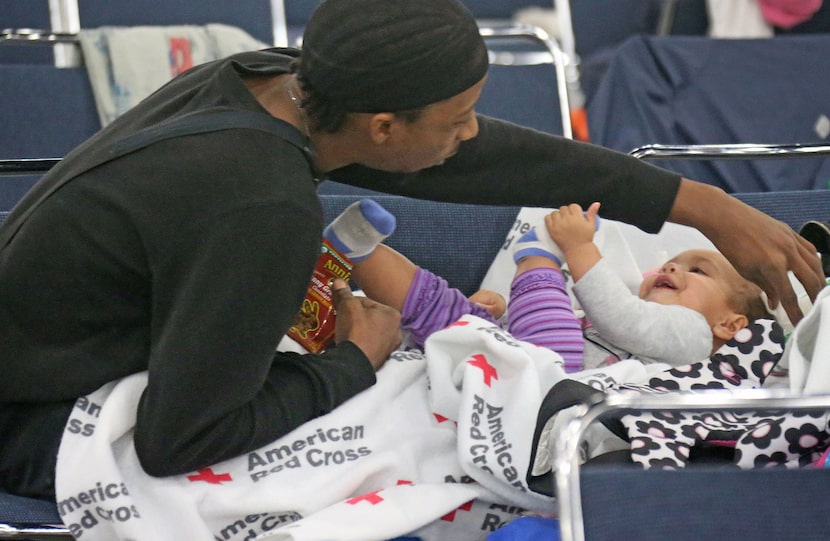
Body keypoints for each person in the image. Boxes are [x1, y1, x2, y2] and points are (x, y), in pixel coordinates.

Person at [0, 0, 821, 502]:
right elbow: (178, 437)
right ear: (382, 129)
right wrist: (353, 358)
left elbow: (491, 157)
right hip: (36, 426)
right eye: (457, 116)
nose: (469, 135)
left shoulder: (269, 81)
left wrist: (694, 202)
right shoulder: (261, 202)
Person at [336, 199, 768, 374]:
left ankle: (537, 255)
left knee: (545, 352)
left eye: (699, 271)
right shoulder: (595, 322)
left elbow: (624, 319)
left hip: (555, 392)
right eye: (672, 263)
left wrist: (576, 248)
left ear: (729, 324)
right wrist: (499, 314)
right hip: (511, 366)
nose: (673, 269)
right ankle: (355, 249)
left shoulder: (695, 338)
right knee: (442, 309)